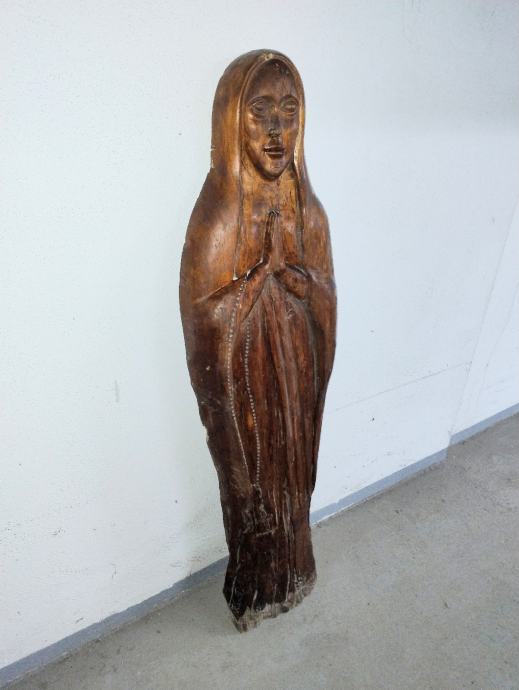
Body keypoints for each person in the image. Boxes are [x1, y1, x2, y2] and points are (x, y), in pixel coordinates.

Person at [180, 50, 336, 630]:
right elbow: (202, 318)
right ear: (232, 119)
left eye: (289, 111)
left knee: (292, 486)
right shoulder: (220, 218)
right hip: (248, 394)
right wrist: (254, 285)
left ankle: (297, 569)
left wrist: (299, 283)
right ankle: (254, 586)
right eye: (260, 111)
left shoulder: (309, 212)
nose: (276, 129)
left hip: (295, 386)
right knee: (254, 494)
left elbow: (326, 294)